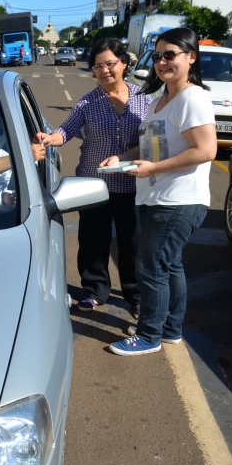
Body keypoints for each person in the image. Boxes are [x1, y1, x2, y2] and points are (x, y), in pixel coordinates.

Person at [102, 27, 216, 356]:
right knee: (169, 265)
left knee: (150, 267)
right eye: (158, 56)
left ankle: (149, 335)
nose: (163, 62)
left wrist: (153, 169)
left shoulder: (192, 98)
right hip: (156, 196)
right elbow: (151, 146)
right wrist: (122, 159)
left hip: (179, 199)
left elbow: (206, 150)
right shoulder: (159, 100)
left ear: (191, 57)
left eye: (171, 55)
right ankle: (169, 329)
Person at [39, 38, 152, 316]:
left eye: (110, 64)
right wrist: (49, 138)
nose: (104, 70)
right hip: (94, 185)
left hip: (132, 183)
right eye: (98, 66)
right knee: (92, 240)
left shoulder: (145, 99)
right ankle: (94, 291)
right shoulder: (88, 102)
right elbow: (65, 130)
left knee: (132, 243)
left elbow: (154, 139)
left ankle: (135, 295)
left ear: (124, 63)